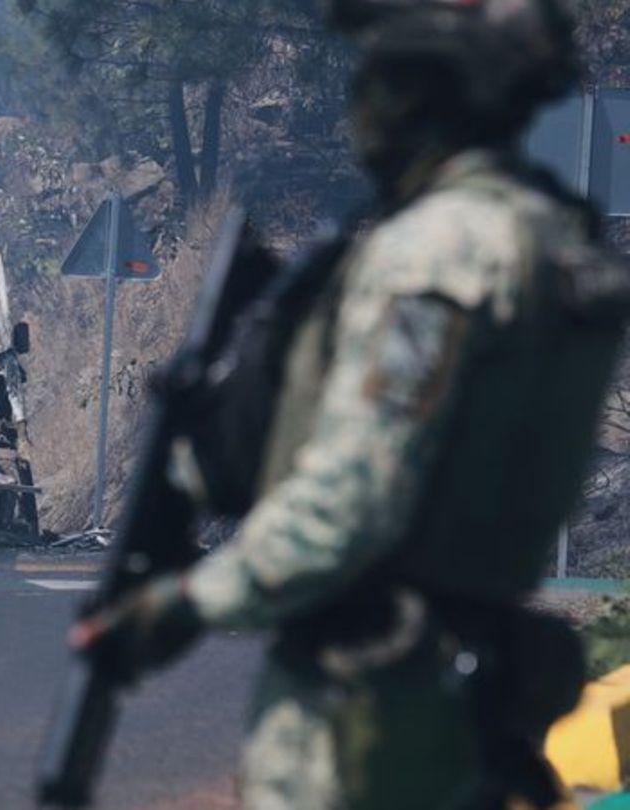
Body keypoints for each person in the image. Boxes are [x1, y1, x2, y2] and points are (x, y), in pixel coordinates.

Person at [72, 1, 630, 807]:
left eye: (388, 72)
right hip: (476, 686)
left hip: (367, 711)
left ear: (431, 89)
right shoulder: (556, 244)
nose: (365, 99)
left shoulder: (437, 254)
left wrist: (187, 603)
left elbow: (357, 498)